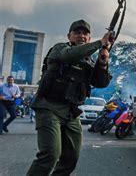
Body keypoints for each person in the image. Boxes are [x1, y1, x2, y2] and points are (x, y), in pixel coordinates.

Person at [27, 19, 113, 175]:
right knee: (50, 155)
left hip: (71, 112)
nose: (81, 36)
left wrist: (103, 62)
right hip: (48, 107)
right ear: (69, 36)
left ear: (88, 37)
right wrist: (100, 43)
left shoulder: (89, 60)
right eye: (77, 32)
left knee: (71, 157)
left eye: (85, 33)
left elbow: (101, 82)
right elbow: (70, 56)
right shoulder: (60, 49)